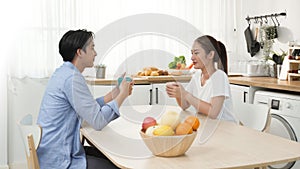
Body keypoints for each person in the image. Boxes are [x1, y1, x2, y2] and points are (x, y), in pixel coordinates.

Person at [37, 29, 133, 169]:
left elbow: (89, 107)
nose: (95, 53)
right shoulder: (72, 79)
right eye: (92, 47)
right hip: (60, 159)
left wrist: (116, 92)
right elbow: (98, 121)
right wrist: (123, 95)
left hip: (52, 152)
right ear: (79, 52)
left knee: (109, 155)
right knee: (117, 164)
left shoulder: (64, 72)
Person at [166, 35, 237, 123]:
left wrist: (185, 94)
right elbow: (184, 105)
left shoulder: (219, 76)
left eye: (196, 53)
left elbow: (213, 112)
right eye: (192, 53)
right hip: (207, 125)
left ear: (210, 54)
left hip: (226, 128)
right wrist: (178, 93)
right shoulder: (197, 76)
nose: (192, 57)